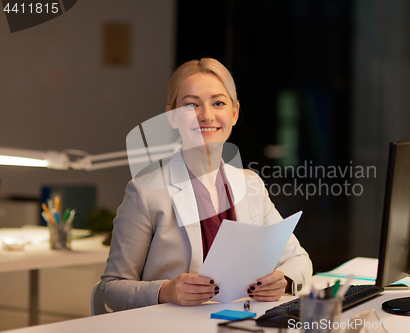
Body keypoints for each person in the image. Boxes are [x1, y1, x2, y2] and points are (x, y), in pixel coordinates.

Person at [101, 58, 312, 311]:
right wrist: (165, 291)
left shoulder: (251, 184)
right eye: (191, 105)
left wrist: (285, 280)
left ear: (234, 113)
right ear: (172, 116)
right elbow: (111, 288)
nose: (206, 115)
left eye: (218, 103)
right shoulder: (146, 191)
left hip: (241, 323)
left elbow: (299, 259)